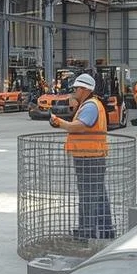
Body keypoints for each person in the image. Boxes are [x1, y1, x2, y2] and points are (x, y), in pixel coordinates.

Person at [50, 72, 115, 240]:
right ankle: (106, 231)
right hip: (92, 156)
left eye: (76, 88)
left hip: (89, 158)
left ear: (85, 89)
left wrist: (60, 122)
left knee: (88, 196)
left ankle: (86, 232)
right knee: (98, 195)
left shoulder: (90, 106)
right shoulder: (91, 104)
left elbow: (79, 127)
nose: (74, 91)